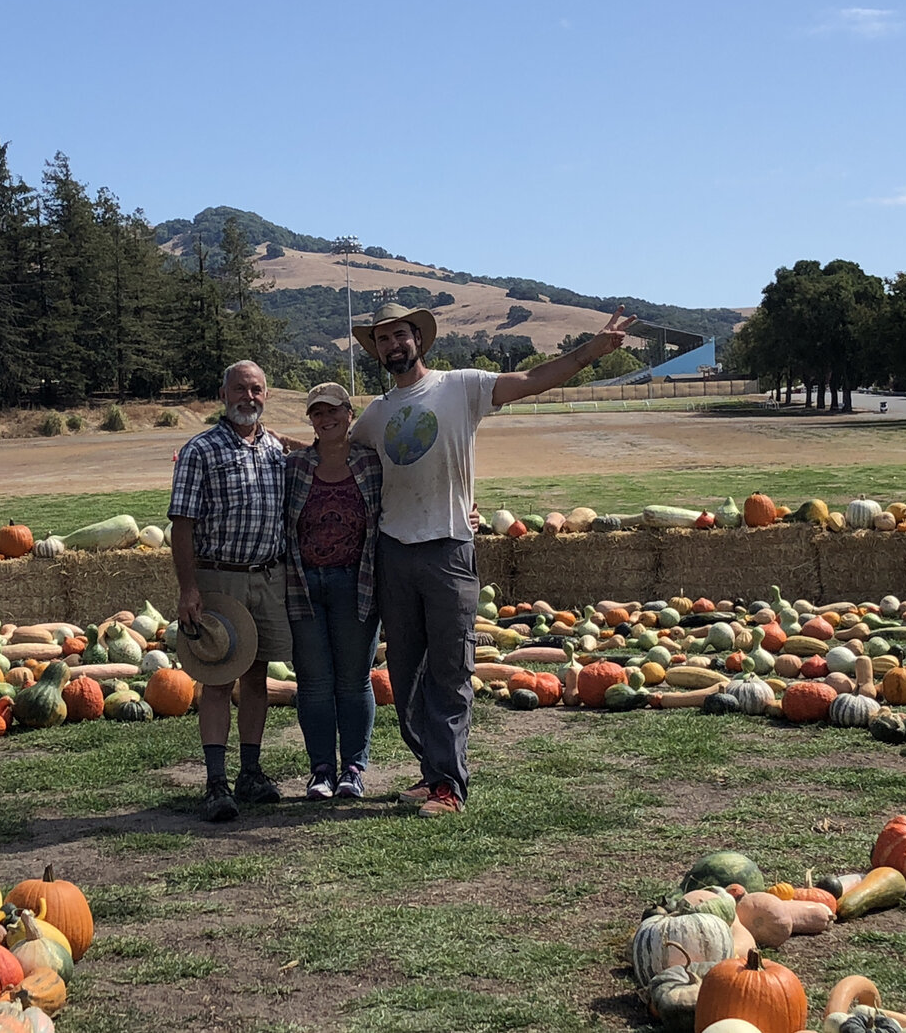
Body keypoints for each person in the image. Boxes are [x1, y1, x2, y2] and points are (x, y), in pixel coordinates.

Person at [351, 302, 635, 817]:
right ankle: (432, 770)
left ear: (419, 339)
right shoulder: (374, 415)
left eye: (400, 335)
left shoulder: (461, 387)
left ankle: (448, 787)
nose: (393, 345)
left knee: (450, 670)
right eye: (383, 339)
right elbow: (333, 453)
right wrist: (272, 443)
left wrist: (591, 351)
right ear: (377, 351)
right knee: (407, 674)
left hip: (449, 549)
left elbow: (532, 379)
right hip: (394, 553)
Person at [169, 359, 291, 822]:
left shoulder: (274, 448)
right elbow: (182, 525)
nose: (248, 397)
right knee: (218, 680)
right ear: (223, 395)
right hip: (219, 579)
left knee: (257, 678)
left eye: (256, 389)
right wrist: (188, 588)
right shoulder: (200, 450)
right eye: (240, 389)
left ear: (266, 395)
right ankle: (216, 782)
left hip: (268, 576)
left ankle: (251, 773)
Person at [283, 382, 383, 800]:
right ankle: (321, 770)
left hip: (357, 583)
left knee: (354, 681)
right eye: (317, 413)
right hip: (303, 585)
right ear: (311, 420)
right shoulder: (294, 466)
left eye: (333, 411)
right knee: (314, 683)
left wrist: (467, 509)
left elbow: (411, 493)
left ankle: (353, 769)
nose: (326, 419)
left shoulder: (372, 463)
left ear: (349, 413)